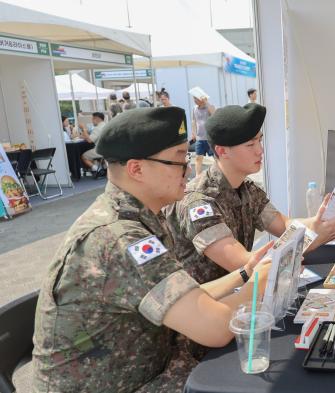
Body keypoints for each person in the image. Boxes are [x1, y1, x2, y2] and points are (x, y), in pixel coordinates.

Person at [32, 107, 273, 392]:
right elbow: (216, 328)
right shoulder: (119, 238)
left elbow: (184, 296)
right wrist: (265, 280)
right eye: (178, 159)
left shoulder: (142, 218)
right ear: (136, 168)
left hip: (148, 370)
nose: (189, 168)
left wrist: (246, 273)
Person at [165, 104, 335, 284]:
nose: (260, 150)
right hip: (207, 309)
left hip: (239, 297)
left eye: (259, 141)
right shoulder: (198, 202)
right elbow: (243, 262)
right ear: (222, 151)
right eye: (250, 144)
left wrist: (321, 222)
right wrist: (314, 237)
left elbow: (284, 225)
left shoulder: (246, 188)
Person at [190, 95, 216, 175]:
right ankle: (198, 176)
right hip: (199, 138)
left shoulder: (209, 107)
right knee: (198, 158)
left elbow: (214, 113)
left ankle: (218, 172)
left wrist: (206, 102)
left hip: (209, 138)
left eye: (196, 98)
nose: (194, 100)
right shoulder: (194, 108)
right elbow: (194, 121)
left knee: (215, 158)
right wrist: (193, 133)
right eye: (194, 98)